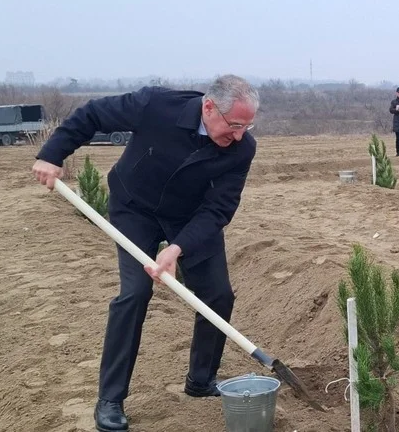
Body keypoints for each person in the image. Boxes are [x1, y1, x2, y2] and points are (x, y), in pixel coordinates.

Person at [32, 75, 259, 432]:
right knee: (135, 292)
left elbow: (219, 208)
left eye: (247, 126)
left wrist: (177, 247)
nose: (239, 136)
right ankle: (110, 399)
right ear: (209, 107)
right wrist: (51, 153)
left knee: (218, 294)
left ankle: (200, 381)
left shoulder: (242, 149)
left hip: (189, 216)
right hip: (135, 206)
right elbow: (92, 115)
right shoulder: (156, 106)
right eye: (235, 125)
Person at [390, 86, 399, 156]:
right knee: (398, 139)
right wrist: (396, 110)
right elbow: (391, 110)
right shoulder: (394, 102)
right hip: (398, 123)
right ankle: (398, 153)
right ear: (397, 93)